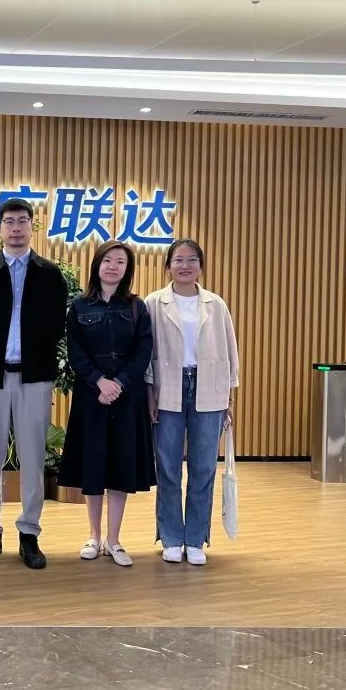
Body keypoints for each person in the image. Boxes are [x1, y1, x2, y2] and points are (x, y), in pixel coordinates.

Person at [0, 198, 68, 569]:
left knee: (33, 457)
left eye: (23, 221)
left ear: (31, 226)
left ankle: (29, 533)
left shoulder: (50, 274)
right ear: (0, 228)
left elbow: (57, 325)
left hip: (34, 377)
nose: (16, 228)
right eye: (9, 221)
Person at [144, 238, 239, 567]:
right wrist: (149, 391)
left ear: (201, 266)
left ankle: (196, 538)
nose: (185, 266)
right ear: (168, 266)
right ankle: (171, 537)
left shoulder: (216, 304)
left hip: (209, 387)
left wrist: (229, 395)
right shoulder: (154, 303)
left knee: (203, 468)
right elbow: (146, 352)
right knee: (168, 468)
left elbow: (229, 350)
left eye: (192, 260)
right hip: (167, 387)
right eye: (179, 260)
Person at [59, 241, 154, 567]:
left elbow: (143, 352)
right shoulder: (79, 306)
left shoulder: (137, 307)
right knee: (94, 463)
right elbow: (75, 352)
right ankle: (94, 535)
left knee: (120, 464)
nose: (113, 267)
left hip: (127, 397)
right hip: (91, 395)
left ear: (128, 269)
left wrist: (119, 383)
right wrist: (99, 381)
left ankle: (114, 539)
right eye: (108, 260)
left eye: (121, 262)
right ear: (97, 264)